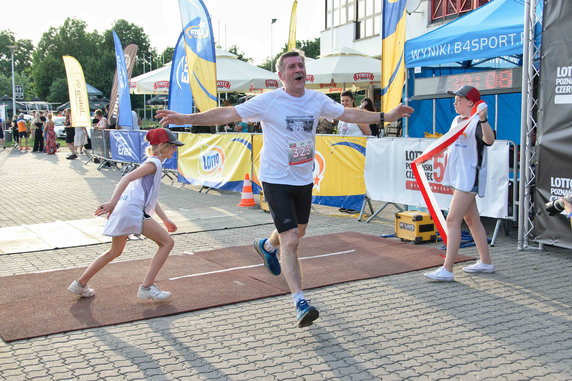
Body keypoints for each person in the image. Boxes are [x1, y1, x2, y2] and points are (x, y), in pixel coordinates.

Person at [156, 50, 414, 327]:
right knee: (291, 240)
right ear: (281, 75)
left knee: (298, 231)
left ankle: (266, 246)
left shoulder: (316, 99)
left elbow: (349, 113)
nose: (297, 69)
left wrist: (387, 115)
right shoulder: (269, 100)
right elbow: (227, 113)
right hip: (276, 179)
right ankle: (300, 302)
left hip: (303, 179)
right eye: (291, 66)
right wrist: (186, 118)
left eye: (301, 65)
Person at [68, 128, 183, 300]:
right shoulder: (153, 164)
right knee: (167, 243)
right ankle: (147, 287)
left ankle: (80, 284)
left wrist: (165, 219)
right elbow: (125, 178)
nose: (175, 150)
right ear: (163, 147)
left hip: (127, 209)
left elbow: (151, 197)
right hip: (132, 211)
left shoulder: (152, 163)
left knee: (114, 251)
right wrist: (112, 202)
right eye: (173, 146)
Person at [424, 85, 495, 282]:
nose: (455, 102)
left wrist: (483, 118)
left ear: (471, 102)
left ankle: (447, 269)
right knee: (472, 220)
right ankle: (486, 262)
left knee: (452, 220)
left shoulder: (477, 122)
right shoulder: (457, 120)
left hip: (470, 177)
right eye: (454, 99)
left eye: (459, 99)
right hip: (457, 177)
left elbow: (489, 140)